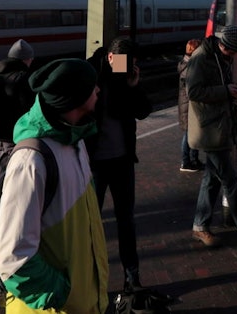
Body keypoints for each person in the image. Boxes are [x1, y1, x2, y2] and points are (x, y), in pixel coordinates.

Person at [0, 58, 109, 313]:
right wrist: (62, 295)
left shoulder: (75, 142)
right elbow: (12, 259)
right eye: (92, 86)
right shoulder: (31, 161)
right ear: (75, 97)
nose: (98, 90)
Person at [186, 24, 237, 247]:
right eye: (231, 52)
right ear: (222, 45)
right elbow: (193, 92)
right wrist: (225, 91)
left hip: (220, 125)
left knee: (211, 180)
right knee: (230, 179)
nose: (232, 57)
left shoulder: (219, 56)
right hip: (209, 129)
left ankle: (200, 226)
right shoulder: (201, 58)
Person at [86, 36, 152, 292]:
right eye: (124, 63)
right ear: (111, 57)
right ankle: (91, 277)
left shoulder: (125, 75)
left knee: (127, 220)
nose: (126, 69)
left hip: (123, 161)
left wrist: (134, 86)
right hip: (95, 164)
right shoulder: (90, 73)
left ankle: (131, 276)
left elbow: (143, 111)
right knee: (91, 221)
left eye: (131, 64)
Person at [0, 39, 37, 170]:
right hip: (12, 134)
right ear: (27, 59)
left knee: (2, 169)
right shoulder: (23, 79)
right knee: (7, 173)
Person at [178, 38, 204, 171]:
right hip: (189, 105)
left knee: (192, 133)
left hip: (187, 104)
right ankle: (186, 162)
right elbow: (192, 89)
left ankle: (194, 160)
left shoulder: (186, 63)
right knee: (189, 134)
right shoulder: (189, 67)